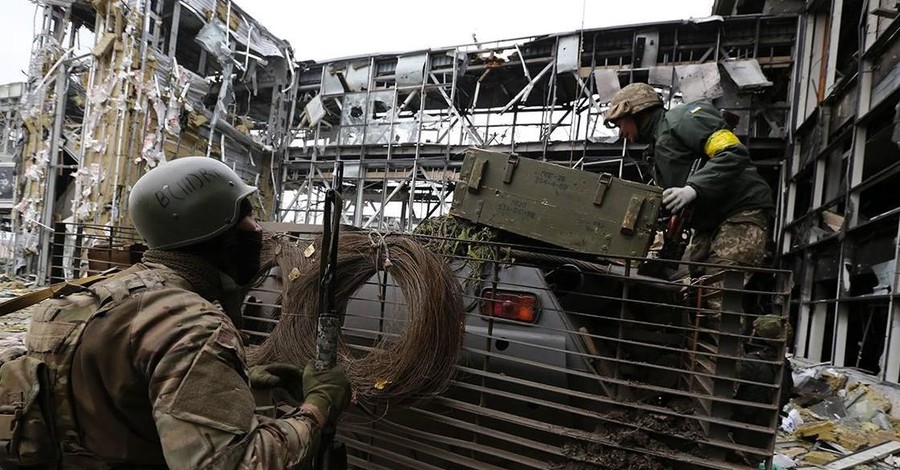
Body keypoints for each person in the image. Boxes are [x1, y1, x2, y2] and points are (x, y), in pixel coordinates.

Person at [17, 156, 351, 468]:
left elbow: (116, 397)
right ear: (213, 230)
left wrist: (240, 378)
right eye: (244, 216)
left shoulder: (85, 298)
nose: (258, 229)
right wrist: (317, 407)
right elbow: (237, 463)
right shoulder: (193, 325)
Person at [605, 83, 774, 282]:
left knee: (716, 293)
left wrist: (693, 188)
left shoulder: (683, 119)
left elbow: (732, 152)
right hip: (709, 223)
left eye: (620, 124)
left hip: (741, 211)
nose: (620, 133)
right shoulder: (657, 147)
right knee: (690, 294)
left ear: (638, 112)